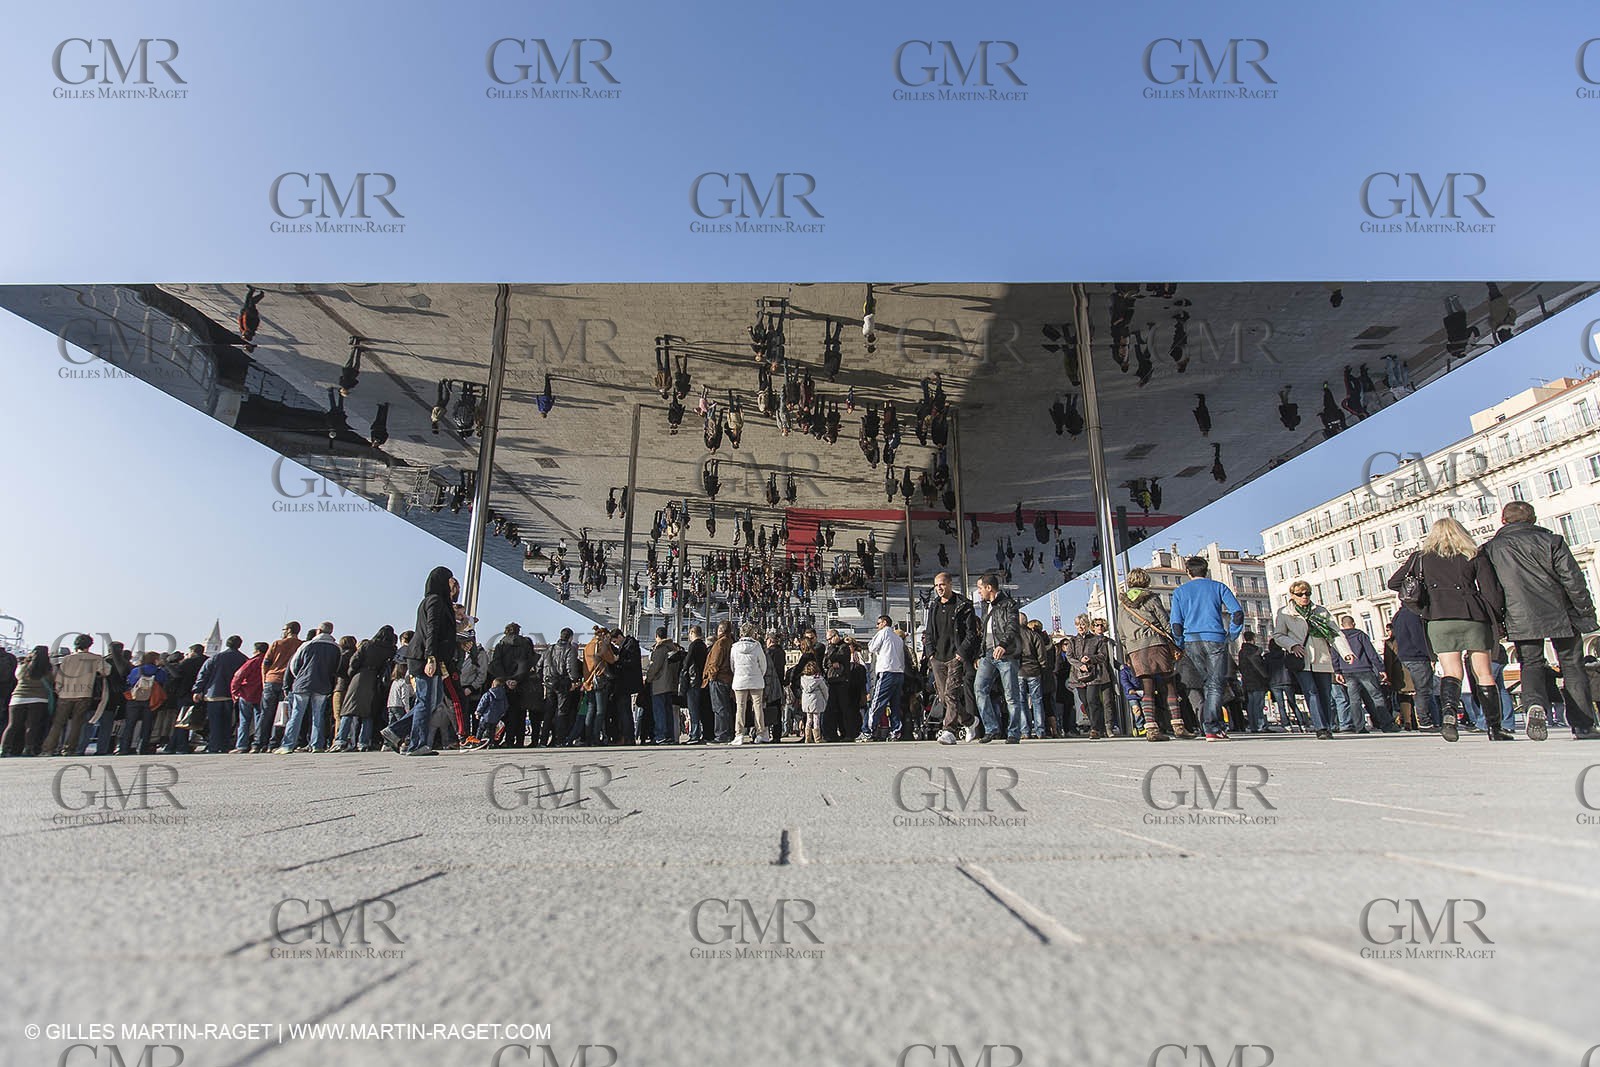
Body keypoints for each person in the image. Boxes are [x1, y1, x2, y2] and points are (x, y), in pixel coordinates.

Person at [1480, 500, 1599, 740]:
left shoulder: (1492, 549)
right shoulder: (1552, 541)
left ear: (1503, 520)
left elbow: (1491, 590)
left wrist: (1498, 620)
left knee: (1531, 664)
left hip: (1519, 614)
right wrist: (1585, 611)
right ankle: (1583, 724)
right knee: (1572, 666)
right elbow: (1573, 579)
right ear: (1533, 519)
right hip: (1560, 611)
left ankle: (1535, 704)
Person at [1389, 516, 1508, 743]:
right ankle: (1494, 727)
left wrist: (1425, 604)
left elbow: (1395, 583)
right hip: (1472, 614)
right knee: (1483, 672)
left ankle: (1449, 716)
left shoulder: (1421, 558)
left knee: (1451, 672)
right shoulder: (1473, 554)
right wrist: (1497, 618)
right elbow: (1491, 591)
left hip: (1439, 618)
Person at [1168, 555, 1245, 741]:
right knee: (1215, 684)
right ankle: (1212, 726)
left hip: (1191, 640)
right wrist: (1232, 635)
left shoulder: (1180, 592)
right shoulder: (1218, 587)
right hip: (1215, 638)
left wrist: (1179, 643)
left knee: (1207, 683)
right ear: (1206, 570)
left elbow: (1176, 623)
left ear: (1188, 572)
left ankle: (1210, 725)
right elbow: (1237, 613)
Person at [1271, 580, 1354, 740]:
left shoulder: (1320, 612)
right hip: (1301, 659)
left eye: (1307, 593)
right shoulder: (1285, 613)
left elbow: (1334, 633)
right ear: (1292, 596)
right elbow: (1278, 635)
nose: (1304, 597)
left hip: (1322, 657)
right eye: (1300, 594)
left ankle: (1327, 725)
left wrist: (1346, 652)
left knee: (1325, 693)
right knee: (1311, 692)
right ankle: (1320, 727)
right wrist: (1292, 645)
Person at [1114, 569, 1183, 741]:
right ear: (1146, 581)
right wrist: (1175, 643)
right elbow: (1163, 621)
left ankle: (1151, 728)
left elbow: (1121, 632)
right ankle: (1178, 725)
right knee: (1169, 684)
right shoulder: (1151, 598)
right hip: (1156, 644)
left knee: (1147, 688)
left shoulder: (1122, 605)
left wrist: (1128, 651)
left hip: (1135, 649)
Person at [973, 573, 1025, 744]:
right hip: (988, 653)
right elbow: (983, 632)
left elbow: (1012, 627)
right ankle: (991, 728)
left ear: (989, 588)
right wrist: (980, 654)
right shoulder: (985, 606)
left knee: (1011, 695)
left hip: (1006, 654)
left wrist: (1003, 644)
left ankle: (1014, 732)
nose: (979, 592)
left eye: (980, 588)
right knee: (979, 688)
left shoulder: (1008, 605)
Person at [928, 574, 979, 745]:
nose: (939, 588)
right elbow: (929, 632)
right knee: (944, 697)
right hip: (938, 658)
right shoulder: (933, 606)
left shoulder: (963, 605)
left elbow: (971, 632)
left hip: (955, 656)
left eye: (942, 584)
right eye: (936, 585)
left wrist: (961, 652)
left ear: (950, 584)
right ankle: (969, 721)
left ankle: (949, 731)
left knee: (951, 693)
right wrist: (930, 654)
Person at [278, 624, 341, 753]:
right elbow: (337, 667)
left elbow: (294, 665)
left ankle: (288, 744)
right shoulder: (336, 648)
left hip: (303, 683)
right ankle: (317, 744)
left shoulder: (307, 645)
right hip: (323, 684)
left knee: (296, 714)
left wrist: (300, 677)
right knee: (318, 715)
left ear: (318, 631)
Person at [45, 634, 109, 757]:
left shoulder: (67, 659)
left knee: (58, 723)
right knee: (77, 723)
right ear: (89, 645)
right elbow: (106, 671)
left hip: (65, 694)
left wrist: (59, 690)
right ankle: (69, 749)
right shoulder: (95, 658)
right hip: (84, 694)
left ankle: (48, 749)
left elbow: (59, 679)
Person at [339, 626, 397, 752]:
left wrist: (351, 673)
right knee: (368, 712)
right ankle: (364, 742)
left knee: (348, 710)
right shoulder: (391, 650)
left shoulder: (367, 645)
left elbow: (354, 662)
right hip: (376, 680)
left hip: (360, 676)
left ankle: (341, 739)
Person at [1335, 617, 1396, 733]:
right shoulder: (1360, 635)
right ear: (1353, 623)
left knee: (1354, 700)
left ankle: (1359, 727)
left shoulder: (1338, 637)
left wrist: (1337, 671)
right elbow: (1371, 653)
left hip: (1347, 670)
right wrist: (1381, 669)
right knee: (1376, 697)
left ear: (1342, 625)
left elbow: (1335, 654)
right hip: (1364, 669)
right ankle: (1386, 724)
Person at [194, 635, 249, 754]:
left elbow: (203, 675)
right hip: (232, 696)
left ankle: (214, 745)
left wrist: (198, 690)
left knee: (214, 722)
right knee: (228, 722)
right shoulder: (243, 659)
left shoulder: (216, 658)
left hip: (214, 694)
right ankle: (225, 745)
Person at [1065, 614, 1117, 739]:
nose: (1080, 627)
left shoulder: (1096, 640)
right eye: (1078, 625)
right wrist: (1080, 664)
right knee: (1085, 702)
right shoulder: (1072, 640)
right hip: (1078, 676)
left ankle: (1095, 728)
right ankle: (1097, 725)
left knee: (1093, 700)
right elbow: (1069, 656)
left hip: (1093, 675)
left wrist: (1090, 659)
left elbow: (1102, 656)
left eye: (1082, 624)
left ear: (1087, 625)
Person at [488, 623, 538, 748]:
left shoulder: (501, 644)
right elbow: (527, 663)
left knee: (505, 713)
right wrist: (517, 679)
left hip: (505, 683)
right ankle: (519, 740)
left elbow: (496, 663)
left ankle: (507, 740)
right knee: (520, 713)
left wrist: (506, 679)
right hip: (521, 683)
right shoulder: (525, 644)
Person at [1390, 604, 1438, 730]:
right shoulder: (1412, 615)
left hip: (1405, 656)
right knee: (1423, 689)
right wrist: (1430, 654)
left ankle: (1422, 719)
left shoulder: (1398, 615)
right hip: (1417, 656)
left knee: (1417, 690)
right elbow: (1418, 637)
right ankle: (1424, 720)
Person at [859, 615, 906, 742]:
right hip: (899, 672)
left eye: (878, 623)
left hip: (886, 671)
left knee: (877, 702)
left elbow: (871, 647)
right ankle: (896, 730)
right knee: (895, 704)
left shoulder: (884, 633)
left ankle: (867, 730)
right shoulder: (898, 639)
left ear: (884, 623)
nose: (877, 626)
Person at [3, 646, 56, 756]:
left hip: (18, 698)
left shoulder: (23, 666)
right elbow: (53, 681)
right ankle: (28, 749)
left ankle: (4, 749)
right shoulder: (49, 669)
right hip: (39, 699)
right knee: (32, 726)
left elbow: (17, 676)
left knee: (12, 725)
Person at [258, 622, 302, 753]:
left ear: (288, 630)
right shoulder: (301, 645)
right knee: (282, 714)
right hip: (289, 682)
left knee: (266, 712)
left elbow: (265, 663)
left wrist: (265, 679)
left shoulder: (277, 643)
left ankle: (259, 743)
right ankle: (274, 742)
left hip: (272, 680)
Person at [118, 651, 168, 756]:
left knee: (130, 725)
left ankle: (124, 748)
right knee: (147, 726)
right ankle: (143, 748)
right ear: (155, 660)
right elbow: (164, 682)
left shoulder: (136, 670)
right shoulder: (160, 672)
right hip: (151, 701)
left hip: (134, 700)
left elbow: (130, 682)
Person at [643, 627, 684, 745]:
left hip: (659, 684)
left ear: (657, 636)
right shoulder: (672, 647)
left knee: (659, 710)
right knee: (667, 710)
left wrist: (648, 678)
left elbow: (655, 667)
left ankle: (661, 735)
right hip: (670, 684)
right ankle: (670, 735)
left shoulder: (660, 649)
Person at [729, 623, 768, 744]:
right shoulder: (757, 646)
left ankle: (739, 734)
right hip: (756, 680)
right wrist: (758, 675)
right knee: (758, 707)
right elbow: (763, 665)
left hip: (740, 681)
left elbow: (732, 665)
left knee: (740, 708)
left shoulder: (734, 647)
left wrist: (739, 674)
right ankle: (760, 733)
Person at [542, 627, 581, 747]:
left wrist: (543, 679)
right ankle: (559, 740)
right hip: (563, 684)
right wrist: (574, 681)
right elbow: (570, 668)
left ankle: (543, 740)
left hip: (549, 683)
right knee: (562, 712)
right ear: (570, 637)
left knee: (548, 713)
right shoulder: (570, 649)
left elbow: (539, 665)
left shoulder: (550, 648)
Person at [580, 626, 618, 747]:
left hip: (589, 681)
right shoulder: (601, 645)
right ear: (604, 635)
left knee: (590, 710)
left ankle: (587, 737)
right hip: (600, 680)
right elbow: (611, 659)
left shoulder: (587, 646)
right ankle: (596, 738)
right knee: (600, 711)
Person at [230, 641, 269, 753]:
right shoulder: (268, 661)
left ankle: (241, 745)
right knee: (259, 720)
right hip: (261, 694)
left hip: (246, 693)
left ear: (256, 650)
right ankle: (257, 744)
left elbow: (238, 676)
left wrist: (235, 691)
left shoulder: (252, 661)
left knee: (244, 721)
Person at [703, 621, 735, 744]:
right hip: (728, 679)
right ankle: (727, 733)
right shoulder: (730, 642)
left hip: (719, 679)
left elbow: (714, 662)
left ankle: (721, 734)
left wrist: (711, 676)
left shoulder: (720, 643)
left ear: (720, 630)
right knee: (726, 708)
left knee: (719, 708)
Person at [1237, 631, 1271, 733]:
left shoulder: (1241, 652)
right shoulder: (1255, 651)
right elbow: (1259, 665)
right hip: (1257, 680)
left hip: (1247, 680)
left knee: (1251, 704)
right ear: (1253, 638)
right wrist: (1265, 676)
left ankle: (1253, 725)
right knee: (1258, 704)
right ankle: (1260, 725)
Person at [683, 626, 709, 744]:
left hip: (693, 681)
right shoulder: (704, 646)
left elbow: (687, 663)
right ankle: (699, 732)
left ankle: (694, 734)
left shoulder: (693, 645)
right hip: (701, 681)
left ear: (693, 633)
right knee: (699, 708)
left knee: (693, 709)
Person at [467, 678, 508, 750]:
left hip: (486, 717)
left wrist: (478, 712)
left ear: (492, 685)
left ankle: (478, 742)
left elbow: (482, 704)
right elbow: (505, 705)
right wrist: (502, 713)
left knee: (481, 729)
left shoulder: (488, 694)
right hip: (495, 718)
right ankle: (491, 743)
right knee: (492, 731)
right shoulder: (503, 696)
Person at [800, 661, 827, 743]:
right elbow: (824, 690)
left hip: (806, 700)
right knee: (816, 719)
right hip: (816, 700)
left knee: (809, 719)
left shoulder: (803, 679)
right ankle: (817, 738)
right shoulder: (819, 679)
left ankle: (807, 737)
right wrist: (826, 699)